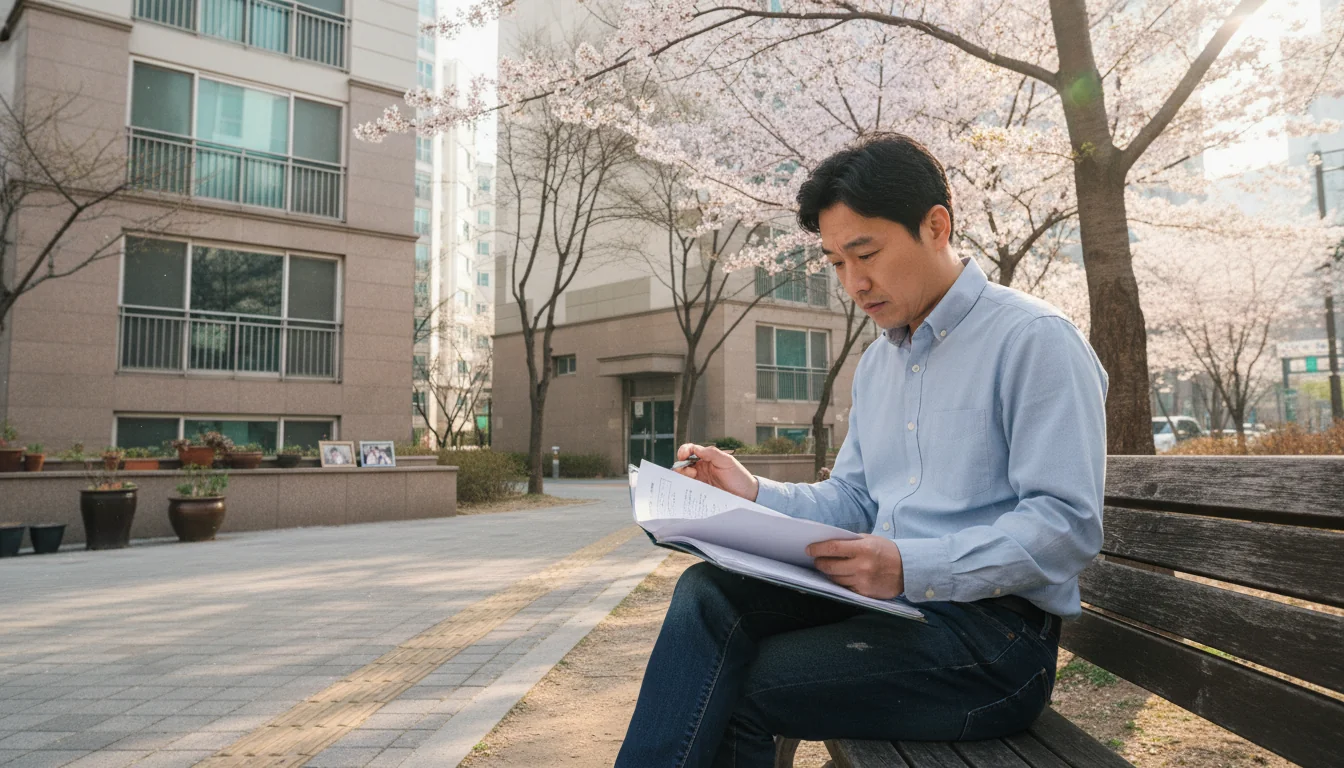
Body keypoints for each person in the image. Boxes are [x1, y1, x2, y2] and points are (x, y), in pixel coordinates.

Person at [614, 134, 1108, 768]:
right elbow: (854, 497)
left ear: (936, 227)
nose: (853, 282)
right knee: (708, 591)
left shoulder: (1034, 341)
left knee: (739, 685)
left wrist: (910, 564)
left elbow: (1066, 527)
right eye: (835, 262)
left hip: (996, 643)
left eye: (865, 253)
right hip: (895, 609)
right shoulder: (880, 362)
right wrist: (754, 492)